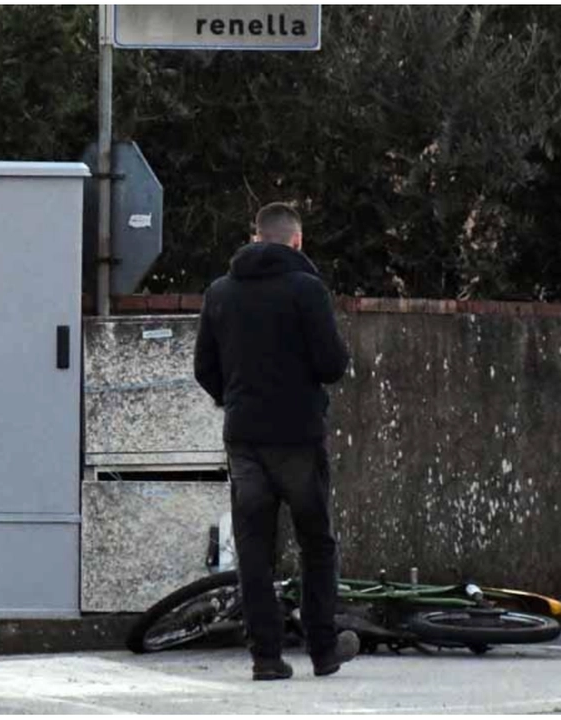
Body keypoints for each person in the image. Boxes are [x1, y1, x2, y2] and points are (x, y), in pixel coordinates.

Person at [194, 202, 359, 681]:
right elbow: (332, 364)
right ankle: (324, 651)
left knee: (253, 548)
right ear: (296, 241)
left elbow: (205, 367)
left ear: (255, 236)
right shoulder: (307, 290)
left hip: (245, 439)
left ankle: (266, 657)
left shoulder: (220, 292)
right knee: (315, 543)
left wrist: (235, 399)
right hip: (298, 437)